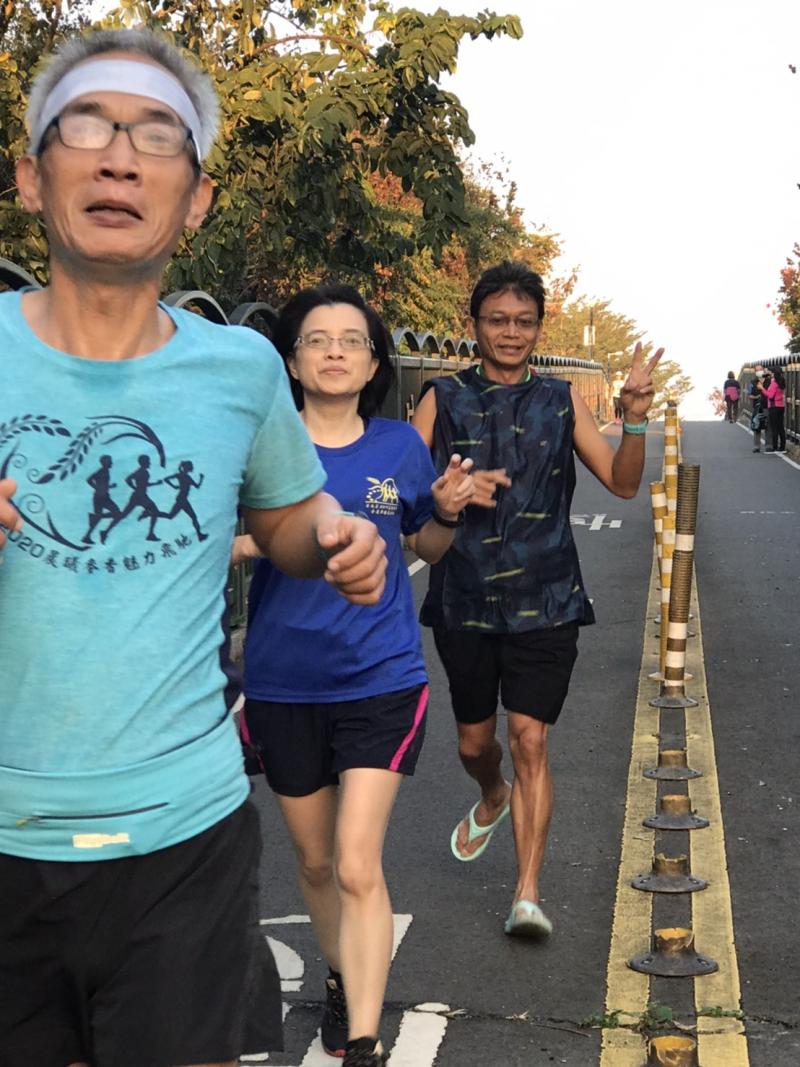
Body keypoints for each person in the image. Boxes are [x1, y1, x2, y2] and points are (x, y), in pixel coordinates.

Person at [0, 28, 387, 1067]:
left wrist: (333, 536)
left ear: (198, 198)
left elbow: (284, 517)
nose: (120, 159)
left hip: (185, 836)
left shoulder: (241, 367)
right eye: (87, 126)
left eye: (156, 135)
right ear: (31, 178)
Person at [234, 284, 474, 1067]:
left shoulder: (400, 445)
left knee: (355, 860)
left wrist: (445, 509)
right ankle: (341, 973)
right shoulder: (259, 445)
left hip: (380, 676)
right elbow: (212, 540)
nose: (335, 350)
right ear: (292, 361)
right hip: (283, 681)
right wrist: (267, 542)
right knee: (312, 862)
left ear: (373, 364)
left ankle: (364, 1041)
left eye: (352, 340)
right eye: (317, 339)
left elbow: (427, 546)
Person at [412, 260, 663, 938]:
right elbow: (393, 490)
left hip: (547, 597)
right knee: (475, 743)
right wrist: (436, 496)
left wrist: (634, 422)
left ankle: (527, 893)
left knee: (530, 738)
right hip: (463, 598)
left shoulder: (560, 398)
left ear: (539, 328)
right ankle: (491, 793)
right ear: (474, 325)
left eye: (524, 321)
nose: (511, 332)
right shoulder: (441, 397)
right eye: (498, 320)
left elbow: (621, 483)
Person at [761, 366, 787, 453]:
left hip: (773, 406)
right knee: (780, 427)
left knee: (774, 427)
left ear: (774, 374)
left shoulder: (774, 383)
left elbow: (770, 395)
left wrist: (762, 389)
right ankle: (782, 447)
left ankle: (774, 446)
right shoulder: (782, 382)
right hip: (781, 406)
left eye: (771, 373)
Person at [749, 365, 769, 452]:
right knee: (756, 426)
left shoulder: (769, 381)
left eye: (760, 369)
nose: (759, 371)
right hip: (757, 407)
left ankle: (768, 446)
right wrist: (756, 397)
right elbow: (750, 395)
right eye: (757, 370)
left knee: (768, 426)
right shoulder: (753, 382)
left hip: (767, 405)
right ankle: (756, 446)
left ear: (763, 370)